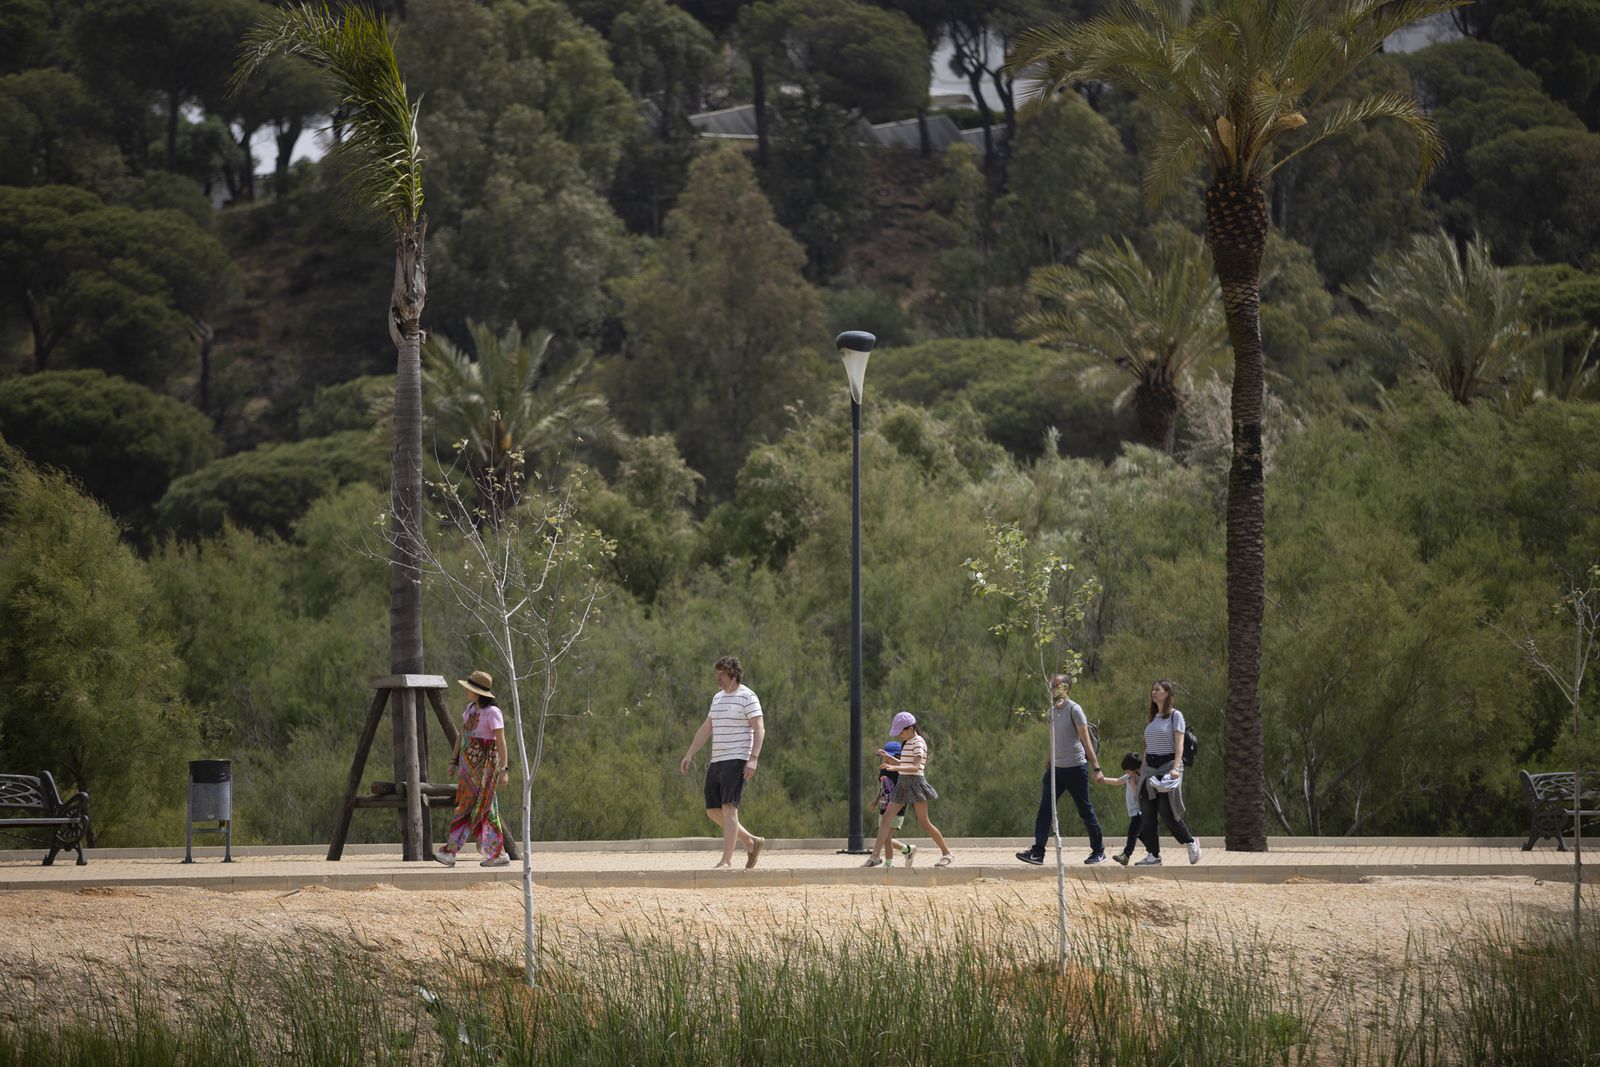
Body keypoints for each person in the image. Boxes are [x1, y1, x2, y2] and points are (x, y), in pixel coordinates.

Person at [679, 655, 766, 869]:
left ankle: (726, 860)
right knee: (712, 810)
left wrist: (753, 758)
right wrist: (690, 753)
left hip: (737, 759)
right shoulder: (717, 698)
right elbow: (706, 728)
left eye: (722, 674)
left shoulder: (748, 696)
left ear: (734, 675)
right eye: (716, 674)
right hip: (717, 759)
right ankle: (750, 841)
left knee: (729, 809)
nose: (718, 678)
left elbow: (759, 728)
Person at [1016, 675, 1107, 866]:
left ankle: (1098, 851)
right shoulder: (1051, 712)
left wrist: (1096, 767)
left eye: (1055, 685)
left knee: (1085, 810)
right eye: (1051, 685)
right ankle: (1038, 852)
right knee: (1045, 810)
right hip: (1056, 770)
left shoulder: (1075, 709)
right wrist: (1049, 762)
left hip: (1076, 768)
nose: (1052, 688)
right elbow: (1052, 739)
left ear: (1066, 688)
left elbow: (1086, 740)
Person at [434, 669, 510, 868]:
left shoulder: (493, 713)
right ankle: (497, 853)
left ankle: (452, 851)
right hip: (468, 768)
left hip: (486, 768)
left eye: (470, 689)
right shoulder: (470, 709)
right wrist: (453, 761)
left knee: (476, 807)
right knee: (477, 807)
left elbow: (500, 742)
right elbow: (462, 735)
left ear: (479, 692)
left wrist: (504, 769)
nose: (467, 692)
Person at [867, 711, 953, 868]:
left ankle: (947, 853)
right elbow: (904, 763)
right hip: (902, 783)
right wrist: (890, 759)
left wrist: (893, 766)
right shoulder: (908, 742)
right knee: (886, 818)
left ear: (911, 728)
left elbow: (915, 767)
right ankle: (875, 856)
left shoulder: (918, 742)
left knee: (925, 823)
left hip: (915, 783)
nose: (899, 735)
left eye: (901, 731)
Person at [1135, 680, 1201, 866]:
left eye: (1158, 690)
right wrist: (1142, 770)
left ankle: (1190, 841)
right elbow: (1148, 747)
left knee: (1167, 812)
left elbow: (1179, 743)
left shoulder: (1175, 716)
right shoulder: (1153, 718)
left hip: (1168, 767)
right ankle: (1153, 855)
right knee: (1147, 814)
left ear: (1167, 694)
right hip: (1150, 768)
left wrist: (1176, 768)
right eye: (1153, 689)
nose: (1153, 692)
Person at [1099, 752, 1149, 866]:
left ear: (1134, 768)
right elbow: (1117, 781)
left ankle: (1126, 855)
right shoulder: (1128, 777)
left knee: (1132, 833)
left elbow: (1139, 796)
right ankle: (1154, 852)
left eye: (1128, 771)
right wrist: (1103, 779)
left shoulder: (1140, 778)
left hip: (1139, 812)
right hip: (1133, 812)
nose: (1126, 773)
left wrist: (1133, 784)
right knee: (1141, 835)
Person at [872, 739, 914, 867]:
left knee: (886, 837)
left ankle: (889, 864)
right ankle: (907, 849)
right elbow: (883, 787)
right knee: (884, 837)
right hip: (884, 807)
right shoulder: (884, 769)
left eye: (887, 756)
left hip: (897, 808)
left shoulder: (899, 771)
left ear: (896, 757)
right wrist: (876, 799)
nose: (885, 759)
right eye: (883, 756)